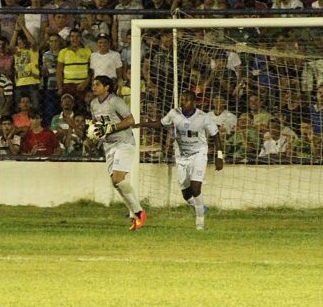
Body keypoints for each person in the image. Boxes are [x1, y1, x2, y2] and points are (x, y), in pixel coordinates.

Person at [139, 91, 224, 230]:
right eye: (182, 100)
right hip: (182, 156)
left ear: (194, 102)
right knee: (186, 194)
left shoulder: (203, 117)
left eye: (187, 100)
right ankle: (200, 207)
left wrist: (219, 157)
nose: (183, 102)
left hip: (199, 154)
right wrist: (143, 124)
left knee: (196, 187)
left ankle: (200, 221)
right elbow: (161, 123)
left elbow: (216, 135)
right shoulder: (174, 113)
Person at [87, 76, 146, 231]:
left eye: (97, 84)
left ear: (107, 87)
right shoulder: (93, 104)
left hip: (124, 142)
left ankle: (139, 213)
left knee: (118, 179)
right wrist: (94, 136)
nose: (93, 87)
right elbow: (97, 124)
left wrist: (111, 128)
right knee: (116, 182)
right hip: (109, 145)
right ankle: (136, 214)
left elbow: (130, 120)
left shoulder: (115, 101)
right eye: (93, 84)